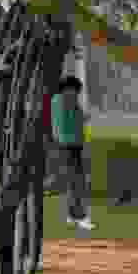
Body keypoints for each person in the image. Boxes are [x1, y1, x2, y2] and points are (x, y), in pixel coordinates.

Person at [51, 74, 94, 230]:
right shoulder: (67, 99)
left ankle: (71, 215)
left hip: (61, 146)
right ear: (69, 89)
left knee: (70, 183)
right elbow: (81, 117)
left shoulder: (55, 101)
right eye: (76, 90)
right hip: (71, 146)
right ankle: (80, 216)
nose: (77, 94)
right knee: (77, 183)